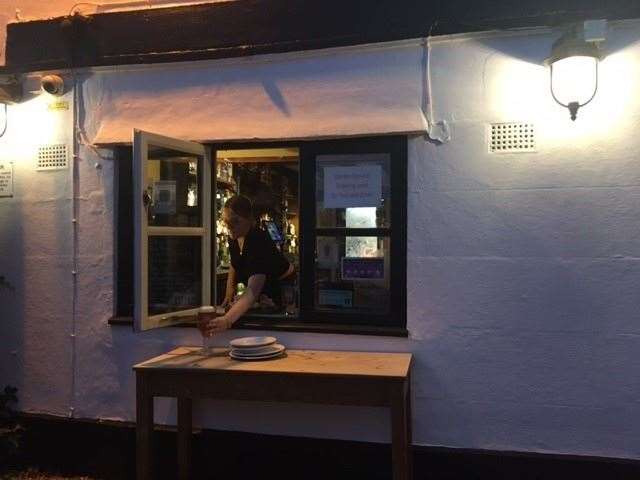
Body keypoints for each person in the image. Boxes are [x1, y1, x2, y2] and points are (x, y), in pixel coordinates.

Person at [200, 195, 294, 337]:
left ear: (249, 219)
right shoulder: (235, 237)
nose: (230, 226)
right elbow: (235, 262)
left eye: (235, 221)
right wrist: (229, 288)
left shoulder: (258, 241)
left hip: (283, 287)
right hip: (262, 291)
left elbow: (252, 291)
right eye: (226, 221)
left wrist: (227, 320)